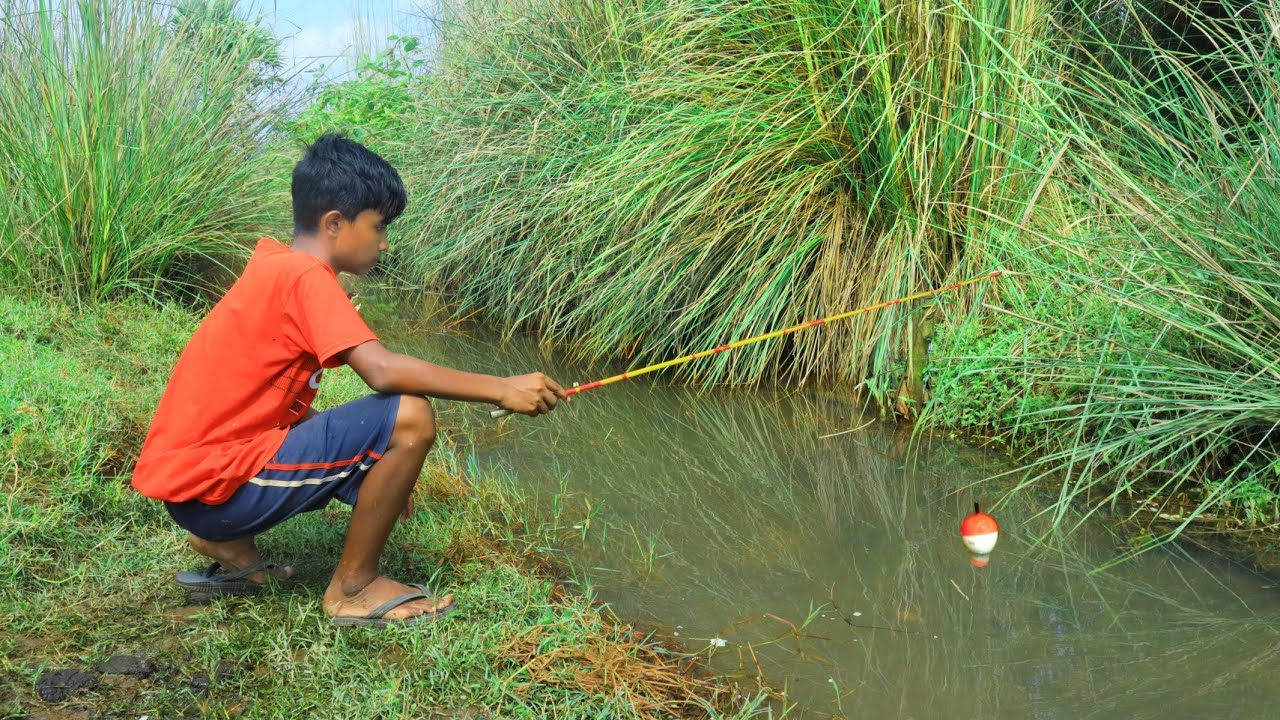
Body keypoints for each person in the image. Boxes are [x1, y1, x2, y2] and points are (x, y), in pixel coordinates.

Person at [131, 134, 567, 627]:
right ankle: (353, 589)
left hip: (197, 493)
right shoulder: (304, 276)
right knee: (409, 415)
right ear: (335, 223)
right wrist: (501, 386)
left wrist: (366, 467)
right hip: (214, 490)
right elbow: (381, 372)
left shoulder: (275, 267)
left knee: (379, 433)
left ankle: (227, 545)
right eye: (379, 226)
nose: (384, 242)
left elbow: (275, 403)